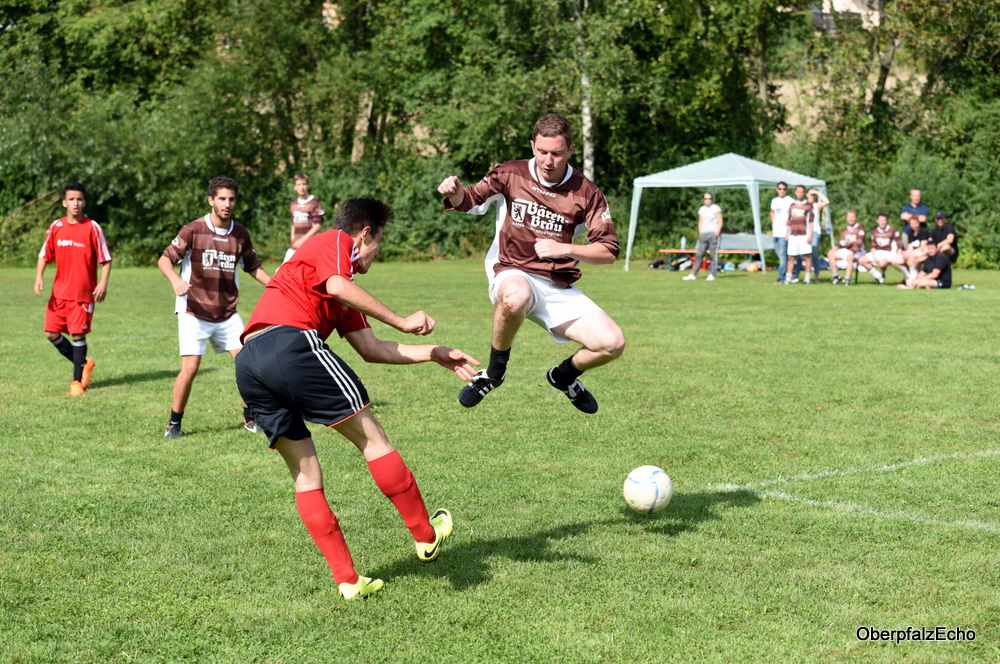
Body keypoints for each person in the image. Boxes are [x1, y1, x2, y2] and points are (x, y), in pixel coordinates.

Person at [235, 198, 479, 600]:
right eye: (378, 244)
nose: (376, 255)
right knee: (373, 440)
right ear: (365, 234)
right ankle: (425, 534)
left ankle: (348, 581)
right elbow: (337, 284)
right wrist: (403, 319)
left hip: (249, 363)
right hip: (289, 344)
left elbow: (372, 348)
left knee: (306, 477)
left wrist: (434, 352)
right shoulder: (333, 242)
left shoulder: (341, 289)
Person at [436, 113, 624, 414]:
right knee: (516, 296)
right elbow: (471, 199)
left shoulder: (586, 192)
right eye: (542, 152)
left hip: (555, 283)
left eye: (557, 153)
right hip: (511, 271)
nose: (548, 160)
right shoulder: (510, 173)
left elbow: (609, 250)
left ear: (571, 150)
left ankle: (563, 377)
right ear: (532, 146)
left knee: (612, 343)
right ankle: (493, 373)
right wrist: (456, 192)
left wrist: (564, 247)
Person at [157, 176, 272, 439]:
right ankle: (174, 423)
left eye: (231, 199)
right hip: (193, 311)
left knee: (248, 364)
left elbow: (252, 266)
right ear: (211, 200)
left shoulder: (240, 233)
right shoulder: (193, 230)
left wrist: (275, 284)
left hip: (227, 313)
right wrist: (175, 280)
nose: (227, 203)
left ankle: (250, 418)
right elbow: (165, 259)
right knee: (191, 368)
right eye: (222, 198)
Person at [34, 182, 113, 396]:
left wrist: (103, 283)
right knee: (51, 333)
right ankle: (84, 363)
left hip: (82, 294)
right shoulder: (56, 227)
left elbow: (106, 259)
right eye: (71, 199)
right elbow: (44, 254)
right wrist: (39, 277)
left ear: (84, 202)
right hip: (59, 293)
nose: (75, 203)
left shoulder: (92, 227)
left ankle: (76, 381)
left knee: (78, 335)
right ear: (64, 202)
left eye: (79, 199)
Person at [284, 173, 325, 264]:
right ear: (295, 187)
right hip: (295, 244)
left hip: (311, 244)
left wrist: (302, 240)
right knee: (282, 269)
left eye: (304, 184)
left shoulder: (314, 203)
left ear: (308, 185)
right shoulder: (293, 204)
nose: (301, 187)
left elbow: (318, 226)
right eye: (298, 184)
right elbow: (294, 224)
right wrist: (293, 238)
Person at [683, 192, 723, 281]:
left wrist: (716, 232)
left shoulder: (716, 208)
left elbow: (720, 221)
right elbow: (700, 221)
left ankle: (712, 274)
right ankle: (693, 274)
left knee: (713, 255)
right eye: (706, 199)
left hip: (713, 234)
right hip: (703, 234)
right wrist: (700, 232)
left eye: (710, 198)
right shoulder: (702, 209)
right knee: (699, 254)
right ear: (703, 200)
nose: (708, 200)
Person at [858, 213, 905, 285]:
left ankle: (881, 277)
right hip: (879, 252)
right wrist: (874, 257)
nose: (882, 222)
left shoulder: (893, 230)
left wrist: (899, 255)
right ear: (877, 221)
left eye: (884, 220)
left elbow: (900, 245)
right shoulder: (875, 231)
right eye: (881, 220)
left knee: (882, 264)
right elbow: (873, 247)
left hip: (890, 252)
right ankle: (879, 277)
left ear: (887, 221)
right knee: (861, 260)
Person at [784, 185, 814, 284]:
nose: (800, 194)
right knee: (791, 257)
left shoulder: (809, 205)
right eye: (798, 192)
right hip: (793, 234)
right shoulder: (792, 205)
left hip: (804, 234)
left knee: (806, 256)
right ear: (795, 192)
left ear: (804, 193)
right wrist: (786, 233)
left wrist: (810, 235)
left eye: (802, 192)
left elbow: (811, 221)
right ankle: (788, 278)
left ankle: (807, 277)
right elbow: (789, 221)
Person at [826, 211, 865, 286]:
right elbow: (842, 242)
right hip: (848, 250)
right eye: (849, 217)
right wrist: (835, 248)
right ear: (847, 218)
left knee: (850, 257)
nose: (851, 219)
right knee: (830, 254)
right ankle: (836, 276)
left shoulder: (860, 228)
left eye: (853, 217)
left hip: (859, 252)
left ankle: (847, 279)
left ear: (856, 218)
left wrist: (852, 250)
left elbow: (859, 243)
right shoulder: (846, 229)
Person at [769, 182, 793, 283]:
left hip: (784, 233)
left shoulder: (790, 201)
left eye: (784, 189)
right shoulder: (774, 200)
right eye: (780, 188)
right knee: (780, 256)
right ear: (777, 189)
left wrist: (788, 230)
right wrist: (774, 222)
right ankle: (789, 273)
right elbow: (772, 211)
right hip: (776, 232)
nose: (782, 190)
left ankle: (782, 277)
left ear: (787, 190)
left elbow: (793, 216)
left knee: (783, 258)